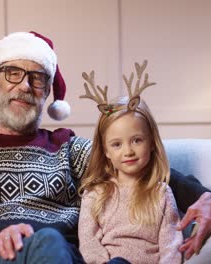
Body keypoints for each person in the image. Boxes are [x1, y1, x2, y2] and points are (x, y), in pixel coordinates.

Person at [0, 31, 211, 264]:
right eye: (13, 73)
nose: (25, 86)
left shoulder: (66, 146)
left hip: (63, 256)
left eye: (37, 78)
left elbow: (134, 164)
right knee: (46, 241)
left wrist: (201, 197)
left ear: (47, 92)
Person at [78, 87, 183, 263]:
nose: (128, 151)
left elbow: (171, 245)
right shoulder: (95, 194)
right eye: (117, 144)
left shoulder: (161, 194)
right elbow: (89, 242)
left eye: (136, 140)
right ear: (106, 151)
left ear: (151, 142)